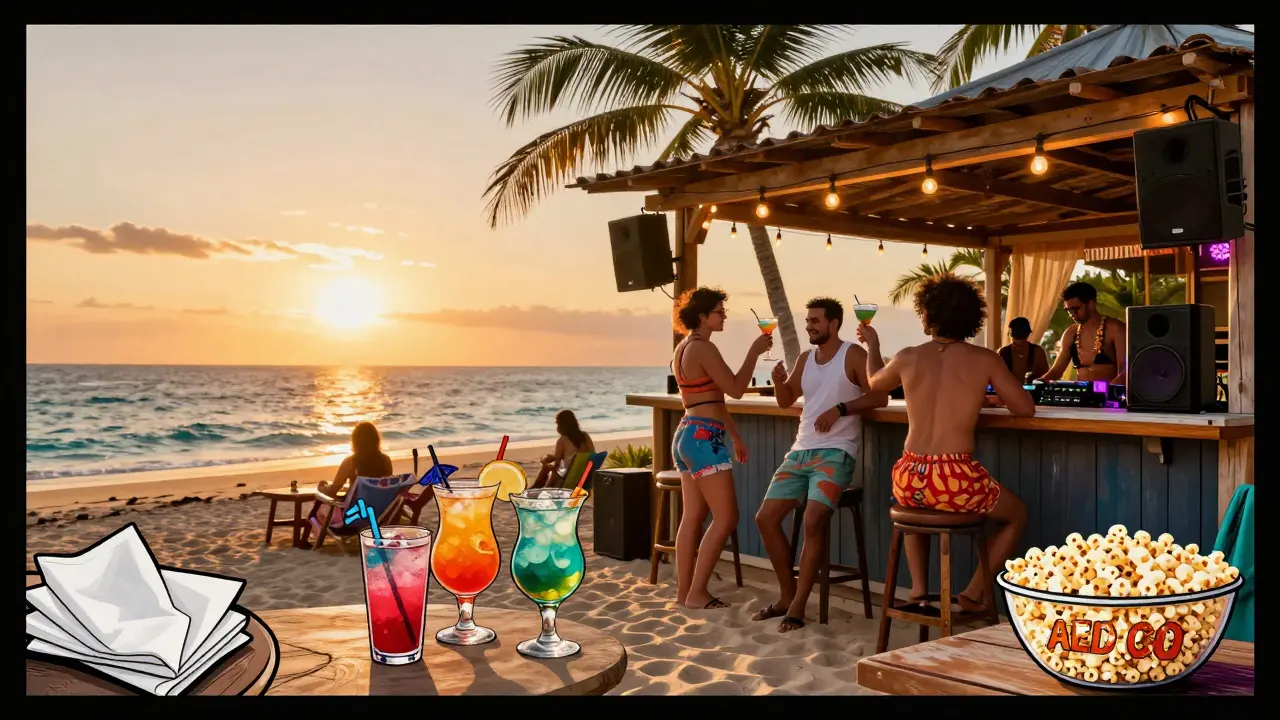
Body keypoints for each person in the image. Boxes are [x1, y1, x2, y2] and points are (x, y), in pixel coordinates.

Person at [859, 273, 1034, 613]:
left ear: (929, 314)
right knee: (1017, 515)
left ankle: (920, 592)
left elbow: (874, 383)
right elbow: (1025, 408)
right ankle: (972, 592)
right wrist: (981, 396)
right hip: (955, 479)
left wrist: (873, 347)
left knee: (917, 506)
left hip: (909, 475)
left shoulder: (908, 356)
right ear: (971, 317)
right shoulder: (984, 359)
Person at [753, 297, 888, 633]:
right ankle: (787, 595)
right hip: (800, 452)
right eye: (808, 320)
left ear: (833, 323)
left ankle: (797, 607)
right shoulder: (805, 359)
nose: (809, 325)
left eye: (815, 320)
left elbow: (879, 396)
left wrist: (840, 409)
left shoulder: (852, 355)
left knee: (813, 520)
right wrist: (779, 380)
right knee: (765, 519)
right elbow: (786, 401)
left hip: (835, 453)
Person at [670, 286, 773, 610]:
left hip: (687, 434)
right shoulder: (704, 349)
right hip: (705, 440)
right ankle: (698, 592)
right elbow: (736, 389)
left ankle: (685, 592)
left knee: (693, 517)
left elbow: (711, 398)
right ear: (702, 316)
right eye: (719, 311)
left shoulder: (683, 349)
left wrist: (736, 436)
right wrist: (755, 352)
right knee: (727, 517)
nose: (724, 315)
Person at [299, 421, 394, 548]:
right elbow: (380, 487)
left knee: (318, 503)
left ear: (355, 441)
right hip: (378, 517)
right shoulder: (386, 461)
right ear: (376, 440)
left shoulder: (351, 462)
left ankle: (306, 541)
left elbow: (333, 490)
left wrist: (322, 488)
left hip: (352, 520)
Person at [1038, 281, 1127, 385]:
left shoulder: (1115, 329)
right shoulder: (1071, 334)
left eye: (1075, 309)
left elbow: (1126, 373)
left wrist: (1107, 393)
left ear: (1091, 304)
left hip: (1110, 398)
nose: (1072, 314)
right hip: (1081, 397)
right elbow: (1057, 371)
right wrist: (1039, 382)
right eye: (1069, 310)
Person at [533, 410, 596, 489]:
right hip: (586, 477)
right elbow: (593, 455)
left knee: (546, 468)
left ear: (562, 425)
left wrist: (544, 462)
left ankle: (539, 489)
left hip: (569, 479)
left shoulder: (563, 440)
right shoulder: (585, 436)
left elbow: (557, 465)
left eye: (558, 424)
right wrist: (553, 457)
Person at [999, 317, 1050, 384]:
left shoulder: (1037, 352)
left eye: (1020, 336)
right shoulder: (1003, 353)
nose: (1015, 340)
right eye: (1013, 335)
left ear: (1027, 335)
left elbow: (1045, 378)